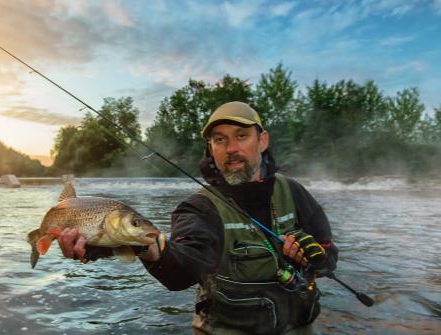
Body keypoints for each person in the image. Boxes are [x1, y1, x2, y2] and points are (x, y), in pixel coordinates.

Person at [58, 101, 338, 335]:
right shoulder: (197, 209)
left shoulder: (294, 191)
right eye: (220, 140)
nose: (231, 148)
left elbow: (328, 255)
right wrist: (129, 244)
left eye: (241, 135)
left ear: (262, 140)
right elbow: (183, 268)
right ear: (211, 148)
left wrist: (317, 256)